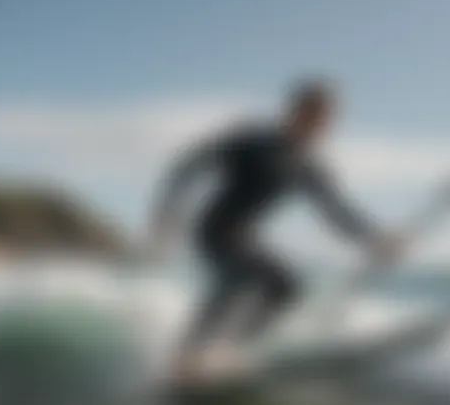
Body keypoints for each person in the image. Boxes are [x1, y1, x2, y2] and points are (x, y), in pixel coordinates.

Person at [148, 78, 403, 384]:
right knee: (239, 275)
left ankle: (231, 349)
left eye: (326, 119)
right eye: (316, 115)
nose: (321, 125)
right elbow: (190, 164)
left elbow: (336, 210)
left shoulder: (307, 165)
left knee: (286, 287)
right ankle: (188, 355)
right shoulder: (254, 141)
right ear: (296, 110)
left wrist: (374, 239)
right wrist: (169, 210)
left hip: (243, 235)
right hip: (214, 228)